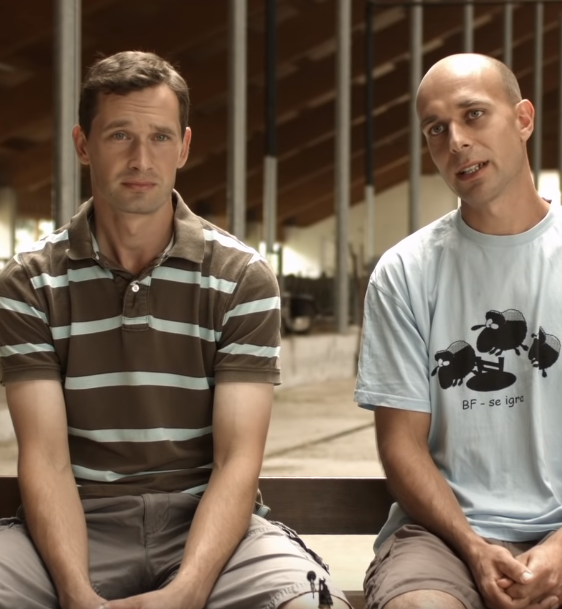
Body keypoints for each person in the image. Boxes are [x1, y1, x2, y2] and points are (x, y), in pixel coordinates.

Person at [0, 51, 350, 609]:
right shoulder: (30, 280)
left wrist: (188, 591)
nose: (141, 158)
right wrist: (75, 594)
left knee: (307, 602)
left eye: (160, 137)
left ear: (183, 147)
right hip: (77, 523)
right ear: (83, 144)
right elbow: (46, 459)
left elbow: (237, 463)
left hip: (209, 529)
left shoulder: (240, 276)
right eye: (119, 135)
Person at [355, 53, 562, 609]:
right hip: (444, 532)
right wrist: (473, 547)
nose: (457, 142)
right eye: (436, 129)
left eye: (473, 115)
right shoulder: (405, 272)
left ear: (523, 119)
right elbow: (401, 445)